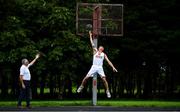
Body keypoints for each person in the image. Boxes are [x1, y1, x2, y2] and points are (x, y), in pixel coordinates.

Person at [77, 31, 118, 98]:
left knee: (104, 80)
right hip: (94, 67)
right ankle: (81, 86)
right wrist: (90, 35)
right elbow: (91, 43)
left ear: (103, 49)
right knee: (86, 78)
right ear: (98, 48)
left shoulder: (103, 54)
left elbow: (108, 61)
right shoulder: (95, 51)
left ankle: (107, 91)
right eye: (100, 47)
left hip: (100, 68)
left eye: (102, 48)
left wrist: (113, 67)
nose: (101, 48)